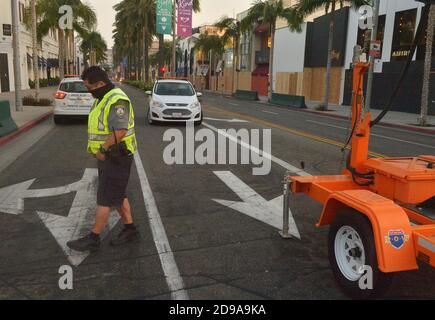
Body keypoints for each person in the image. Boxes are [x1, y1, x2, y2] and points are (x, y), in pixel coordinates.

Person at [67, 66, 139, 252]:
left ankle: (94, 238)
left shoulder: (116, 100)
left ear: (100, 83)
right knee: (118, 194)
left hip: (116, 157)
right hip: (110, 157)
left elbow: (120, 131)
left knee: (105, 198)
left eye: (88, 86)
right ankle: (130, 229)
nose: (87, 90)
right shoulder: (102, 98)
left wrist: (103, 149)